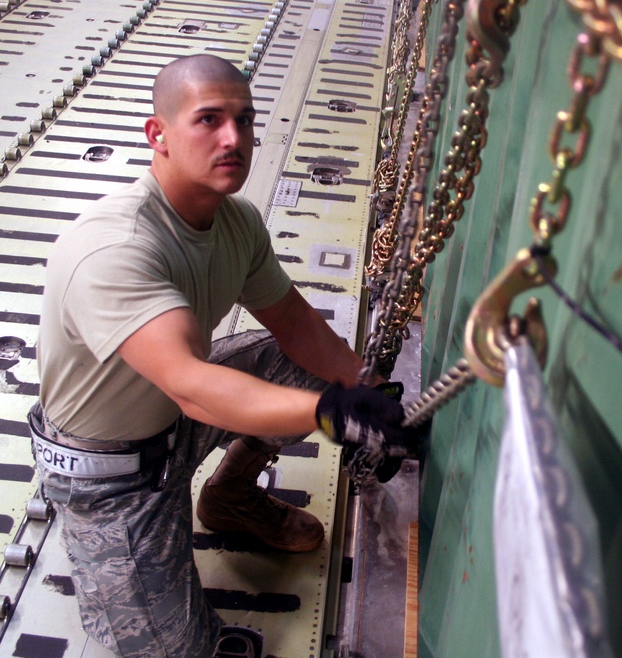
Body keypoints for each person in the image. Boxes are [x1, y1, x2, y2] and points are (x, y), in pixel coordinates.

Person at [28, 54, 413, 657]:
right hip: (115, 477)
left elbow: (291, 321)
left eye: (244, 120)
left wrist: (366, 386)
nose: (234, 138)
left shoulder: (236, 222)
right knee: (177, 650)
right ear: (159, 134)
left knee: (314, 370)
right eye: (208, 119)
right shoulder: (115, 248)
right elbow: (188, 382)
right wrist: (332, 412)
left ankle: (229, 497)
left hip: (180, 417)